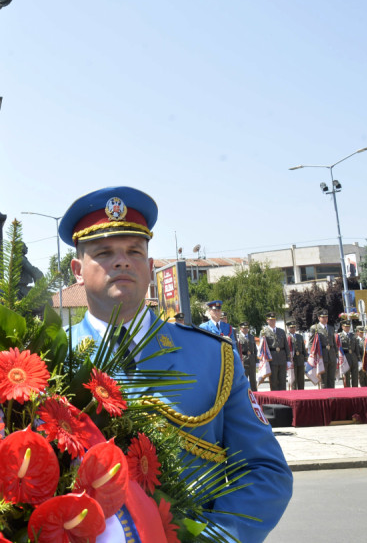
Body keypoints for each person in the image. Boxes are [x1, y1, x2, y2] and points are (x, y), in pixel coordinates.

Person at [58, 186, 291, 542]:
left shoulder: (213, 357)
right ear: (77, 270)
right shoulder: (48, 358)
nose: (122, 262)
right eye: (104, 253)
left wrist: (212, 539)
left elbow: (265, 471)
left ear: (150, 267)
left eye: (134, 252)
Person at [260, 312, 289, 391]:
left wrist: (288, 359)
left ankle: (284, 397)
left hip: (282, 358)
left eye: (274, 320)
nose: (272, 321)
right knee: (274, 381)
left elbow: (286, 345)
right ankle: (275, 398)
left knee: (283, 381)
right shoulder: (264, 332)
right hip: (271, 359)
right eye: (270, 320)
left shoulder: (281, 331)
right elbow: (262, 348)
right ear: (267, 320)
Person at [309, 311, 336, 389]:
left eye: (326, 317)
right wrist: (312, 356)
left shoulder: (331, 328)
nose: (325, 319)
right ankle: (325, 395)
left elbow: (334, 342)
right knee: (323, 379)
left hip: (331, 354)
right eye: (323, 317)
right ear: (319, 318)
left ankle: (332, 394)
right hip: (321, 355)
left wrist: (336, 355)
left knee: (331, 378)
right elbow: (311, 343)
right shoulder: (315, 328)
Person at [338, 318, 359, 388]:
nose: (347, 328)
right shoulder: (339, 336)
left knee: (355, 376)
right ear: (342, 327)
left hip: (353, 356)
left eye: (348, 326)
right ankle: (347, 391)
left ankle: (355, 390)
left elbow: (356, 347)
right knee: (346, 376)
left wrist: (358, 358)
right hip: (345, 357)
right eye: (346, 326)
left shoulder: (353, 335)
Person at [238, 323, 258, 391]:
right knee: (244, 379)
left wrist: (256, 360)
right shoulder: (238, 337)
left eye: (246, 328)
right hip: (243, 360)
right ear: (240, 329)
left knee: (253, 379)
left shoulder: (251, 336)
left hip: (252, 359)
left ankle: (255, 394)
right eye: (244, 328)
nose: (245, 329)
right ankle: (245, 394)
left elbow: (255, 349)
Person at [287, 322, 307, 390]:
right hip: (292, 359)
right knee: (293, 378)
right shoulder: (287, 337)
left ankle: (301, 392)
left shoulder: (299, 336)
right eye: (291, 327)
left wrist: (305, 359)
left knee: (301, 378)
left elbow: (303, 349)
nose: (293, 329)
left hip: (300, 359)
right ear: (288, 328)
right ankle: (294, 392)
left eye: (294, 327)